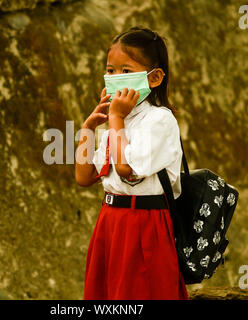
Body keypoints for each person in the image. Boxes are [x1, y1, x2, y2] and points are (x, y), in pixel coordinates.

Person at [75, 26, 188, 300]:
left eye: (126, 71)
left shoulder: (159, 120)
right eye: (110, 71)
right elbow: (84, 176)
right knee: (106, 295)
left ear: (155, 77)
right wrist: (89, 128)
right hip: (110, 221)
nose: (115, 78)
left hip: (144, 224)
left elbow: (126, 170)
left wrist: (115, 119)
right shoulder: (120, 120)